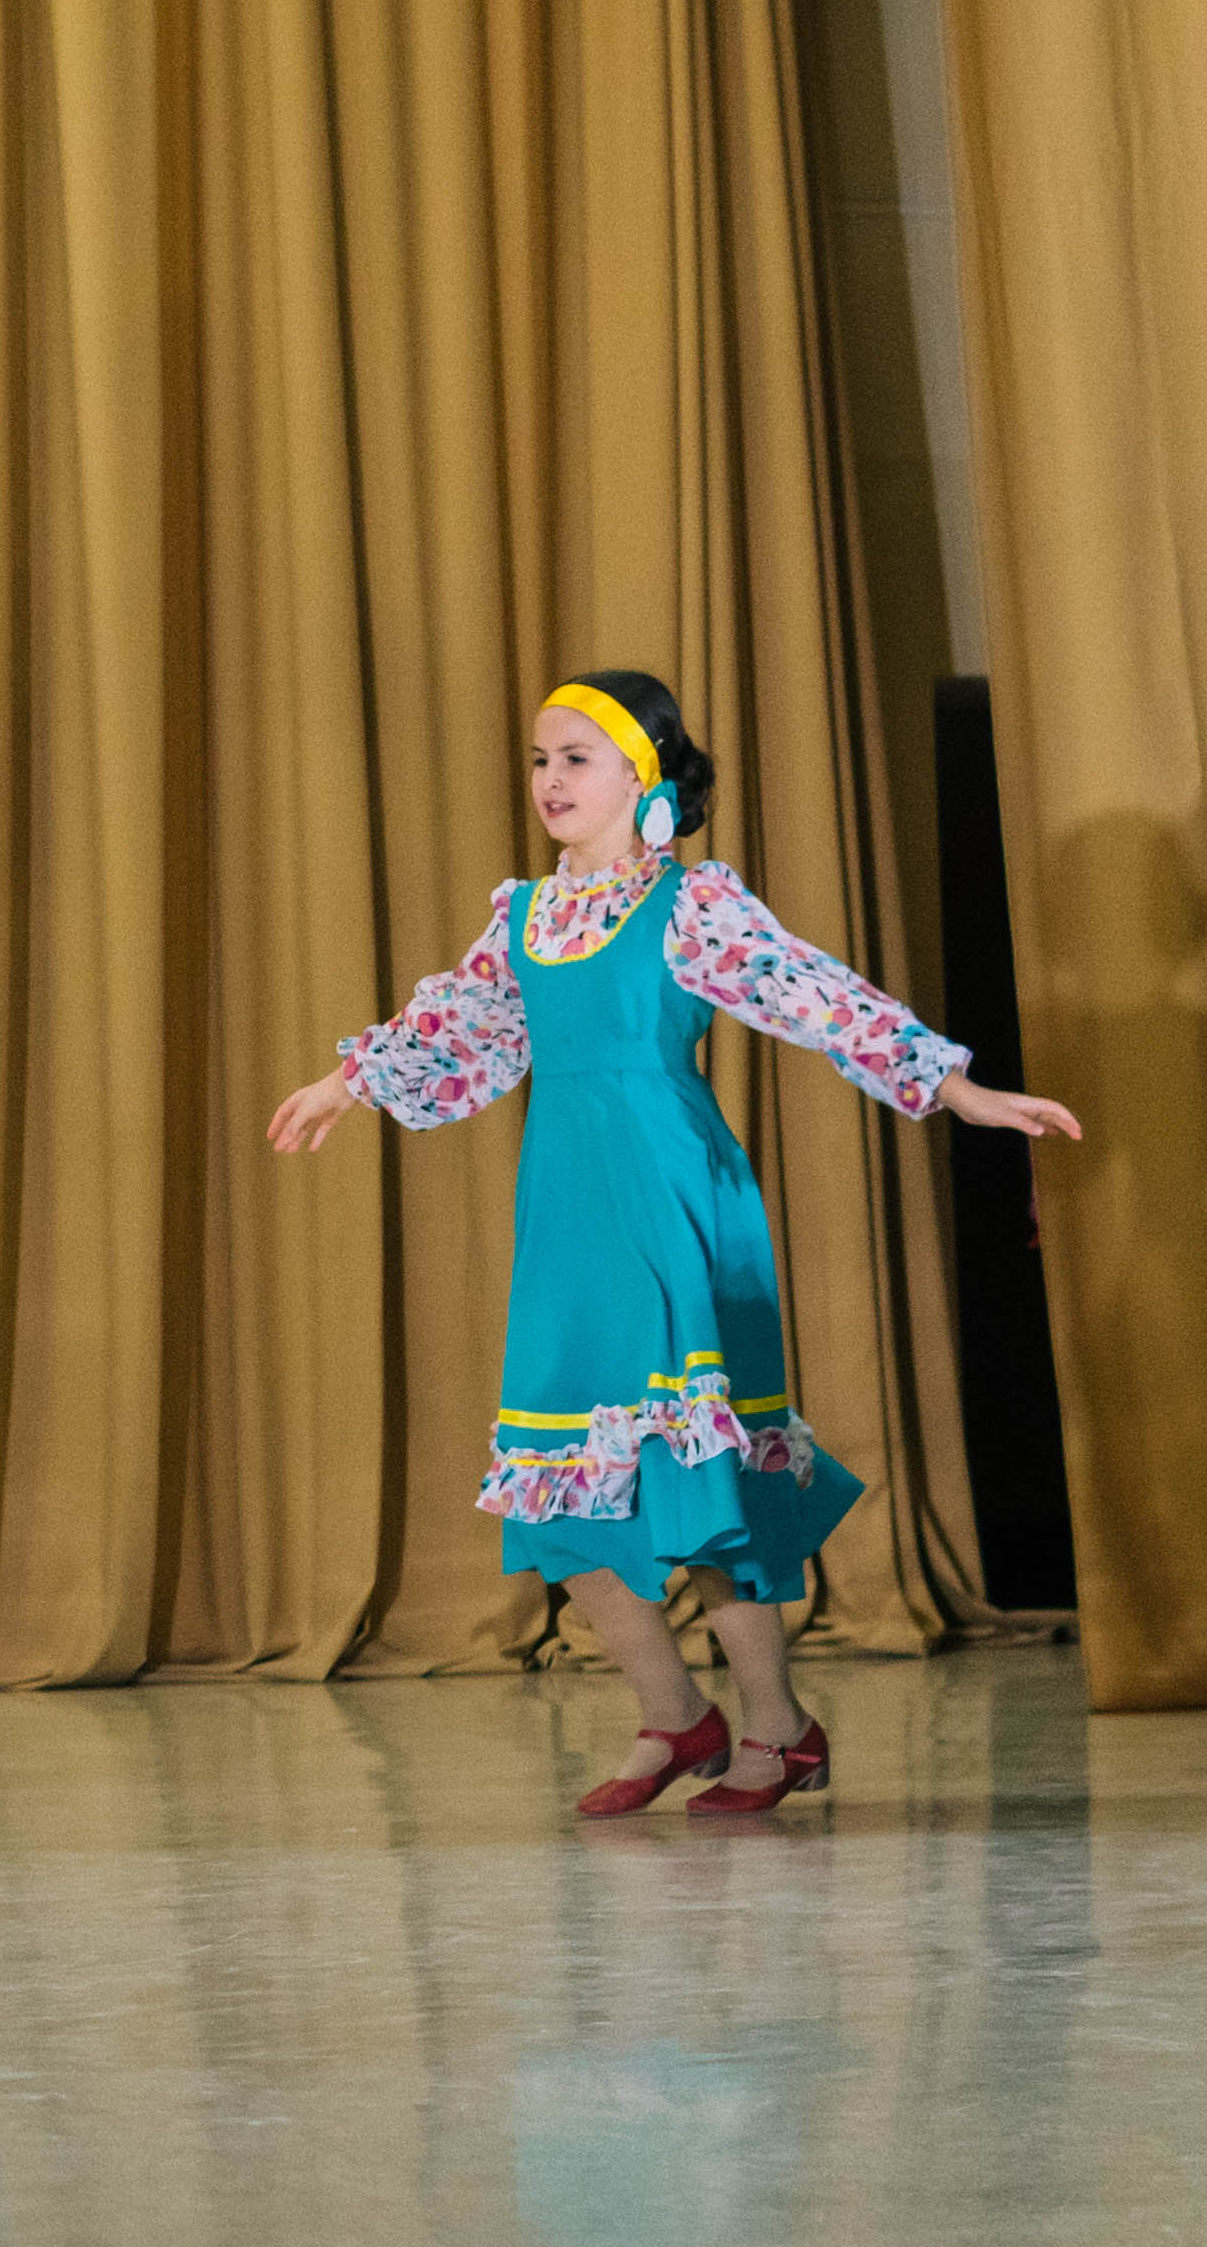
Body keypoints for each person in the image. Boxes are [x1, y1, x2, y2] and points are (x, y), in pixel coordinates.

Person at [269, 671, 1079, 1816]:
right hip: (567, 1216)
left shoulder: (690, 904)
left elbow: (816, 993)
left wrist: (955, 1087)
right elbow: (450, 1021)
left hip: (672, 1198)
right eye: (540, 759)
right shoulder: (523, 918)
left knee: (699, 1476)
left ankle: (776, 1728)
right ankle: (671, 1712)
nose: (549, 779)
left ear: (640, 776)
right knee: (555, 1490)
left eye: (575, 758)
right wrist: (342, 1084)